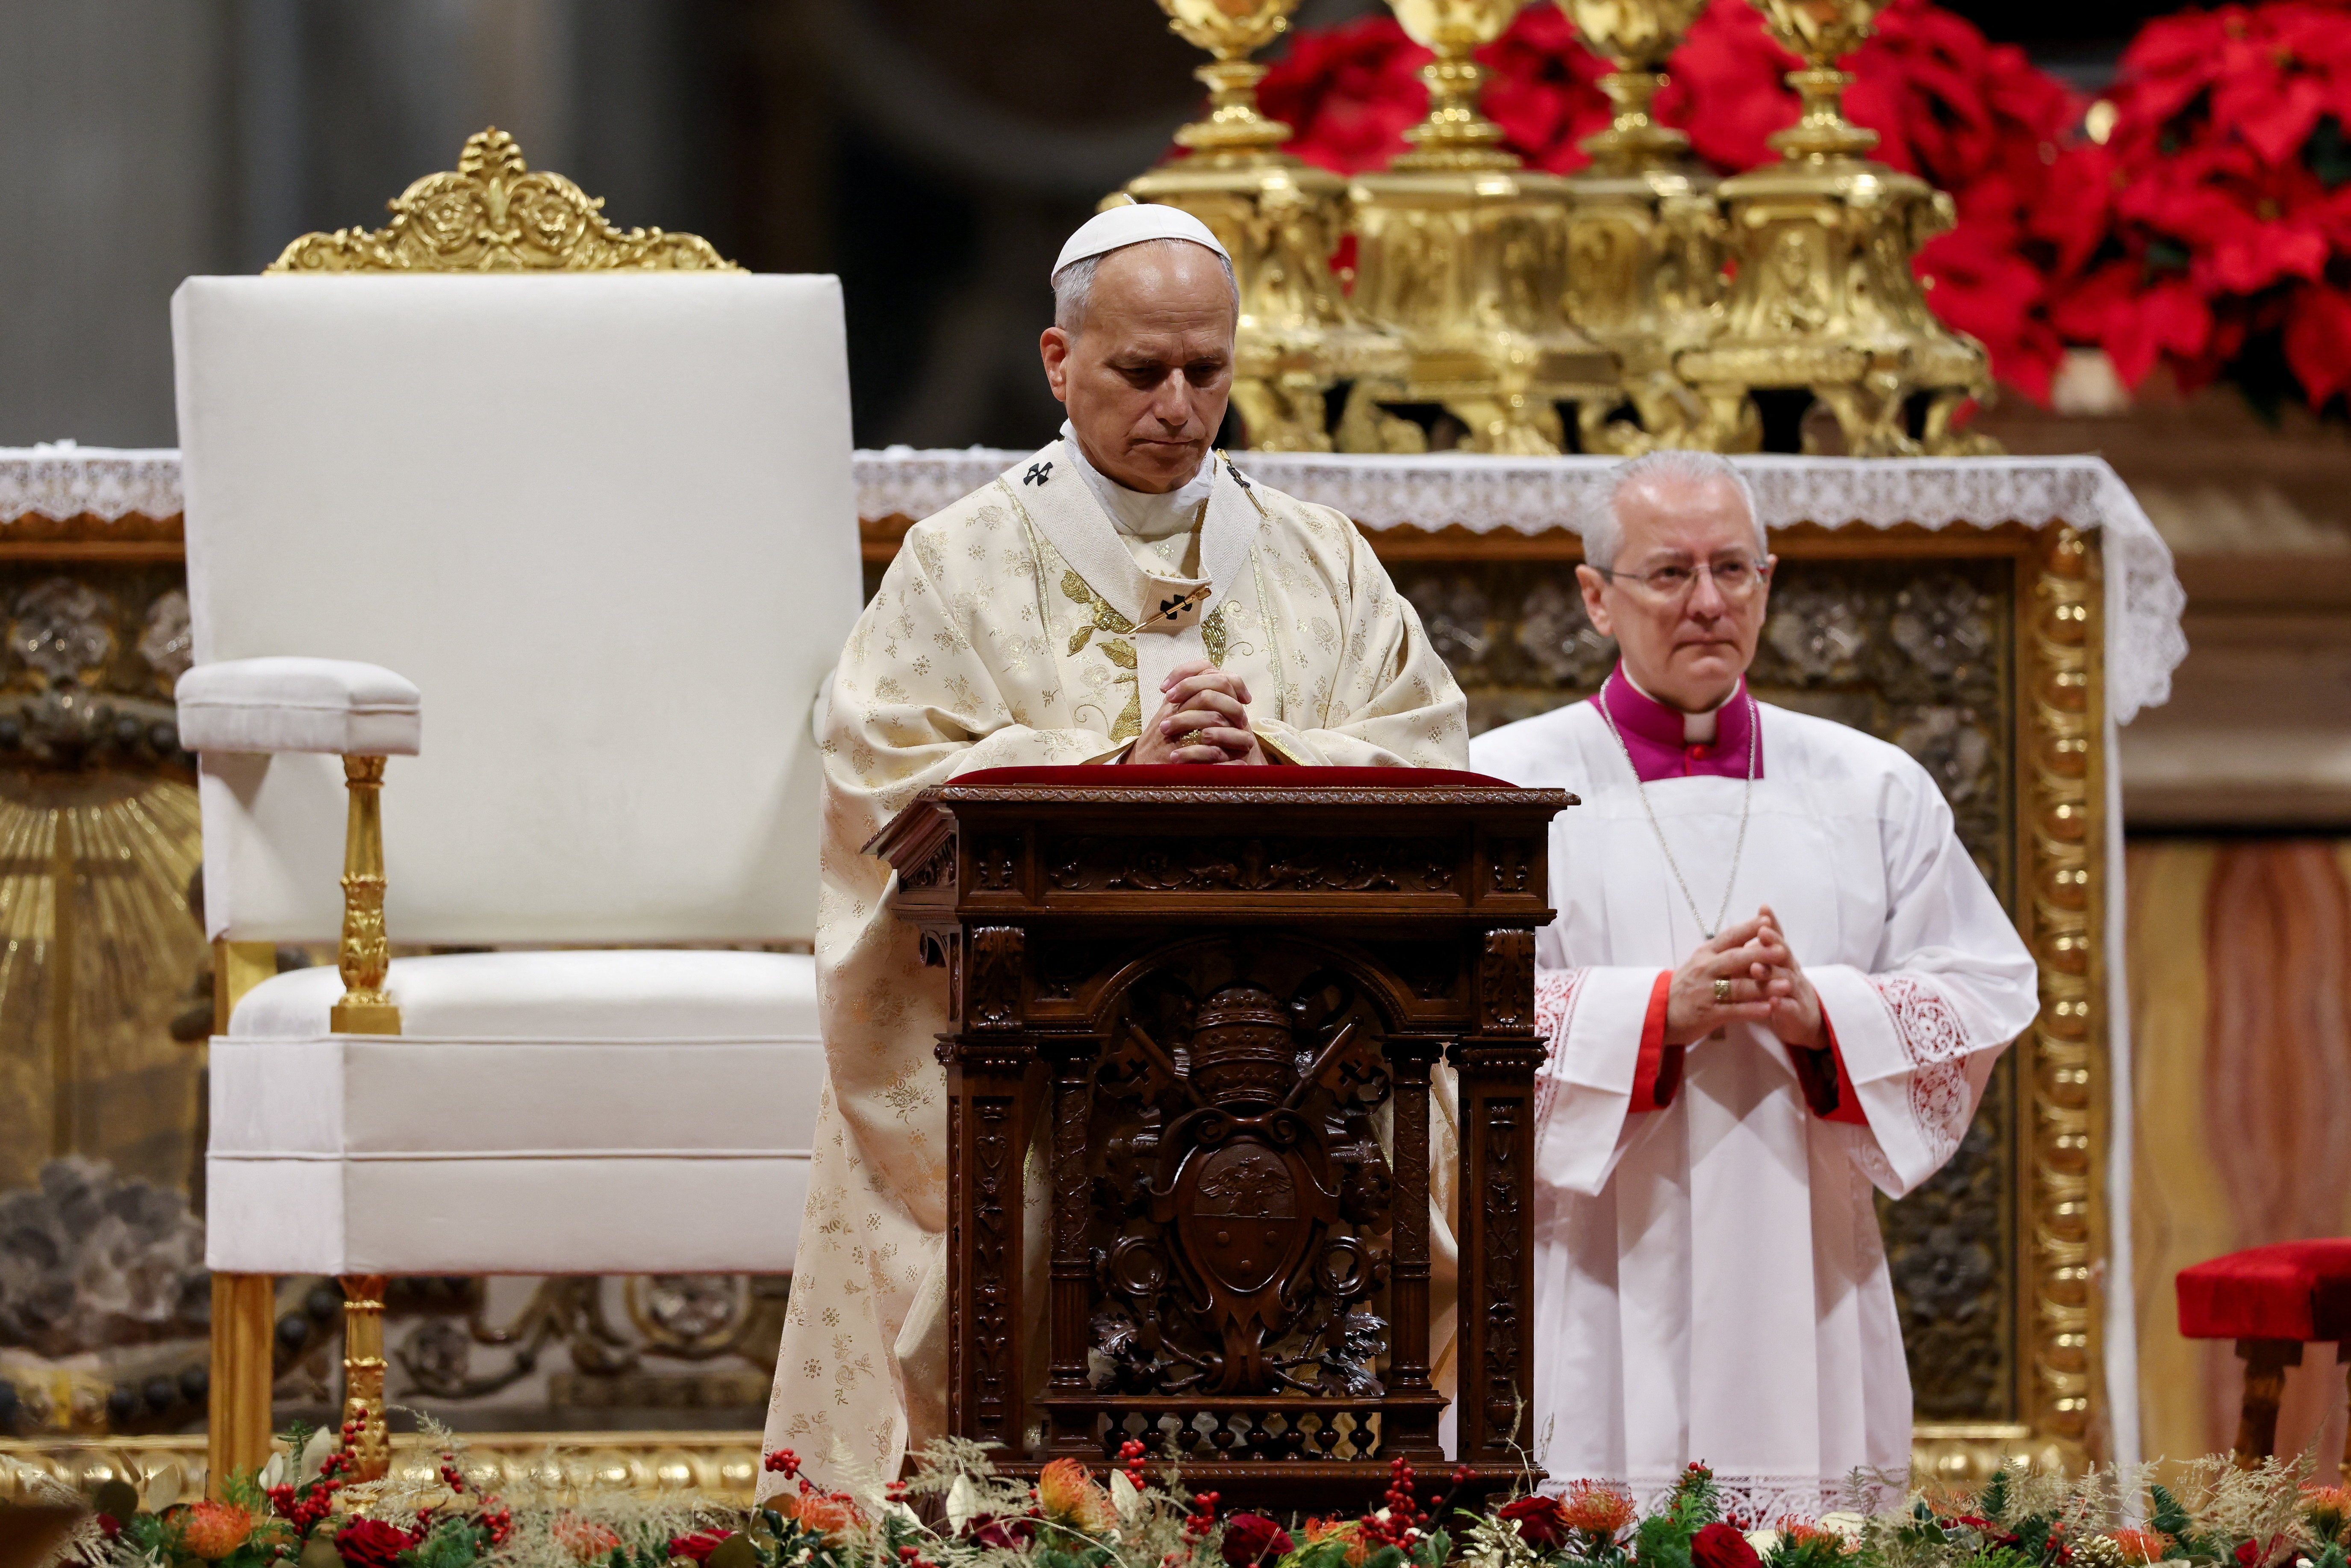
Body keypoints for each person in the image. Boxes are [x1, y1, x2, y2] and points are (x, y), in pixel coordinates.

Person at [762, 201, 1469, 1488]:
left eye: (1209, 371)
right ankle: (1006, 1498)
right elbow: (879, 780)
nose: (1180, 407)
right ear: (1057, 360)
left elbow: (1430, 746)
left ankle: (1308, 1498)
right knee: (1022, 1213)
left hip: (1301, 1041)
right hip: (1030, 1045)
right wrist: (1114, 768)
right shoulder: (959, 560)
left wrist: (1277, 759)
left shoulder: (1323, 558)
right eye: (1142, 371)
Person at [1468, 450, 2038, 1516]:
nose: (1705, 603)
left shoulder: (1871, 786)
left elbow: (1982, 985)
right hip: (1589, 1260)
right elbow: (1443, 1023)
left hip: (1802, 1255)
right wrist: (1650, 1016)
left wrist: (1826, 1012)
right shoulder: (1502, 785)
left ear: (1767, 585)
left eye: (1732, 570)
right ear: (1596, 597)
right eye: (1668, 573)